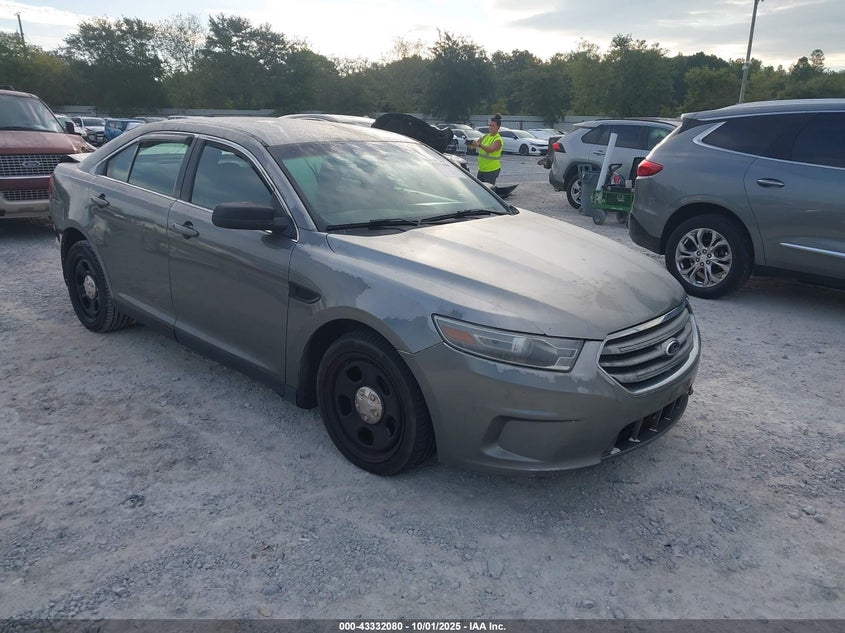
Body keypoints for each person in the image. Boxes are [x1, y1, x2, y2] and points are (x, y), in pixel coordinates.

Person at [467, 114, 504, 184]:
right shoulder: (485, 136)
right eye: (490, 125)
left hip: (491, 170)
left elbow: (490, 150)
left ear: (498, 127)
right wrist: (469, 144)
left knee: (488, 189)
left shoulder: (498, 139)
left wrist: (479, 145)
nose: (490, 127)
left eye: (493, 125)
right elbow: (474, 146)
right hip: (482, 169)